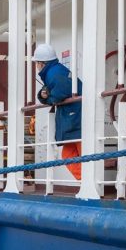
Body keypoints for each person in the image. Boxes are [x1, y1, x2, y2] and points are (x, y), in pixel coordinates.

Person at [34, 44, 82, 179]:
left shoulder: (54, 74)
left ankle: (88, 182)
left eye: (36, 63)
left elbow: (58, 94)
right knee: (69, 155)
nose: (36, 66)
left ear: (41, 63)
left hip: (76, 120)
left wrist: (47, 97)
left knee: (77, 155)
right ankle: (86, 181)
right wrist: (43, 95)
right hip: (73, 120)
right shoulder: (55, 72)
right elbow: (49, 92)